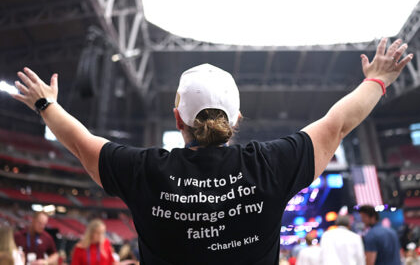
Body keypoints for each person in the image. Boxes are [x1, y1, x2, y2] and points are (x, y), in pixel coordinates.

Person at [10, 38, 412, 264]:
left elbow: (82, 143)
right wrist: (376, 81)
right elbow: (338, 123)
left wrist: (47, 104)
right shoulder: (269, 165)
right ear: (237, 118)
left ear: (177, 119)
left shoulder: (145, 170)